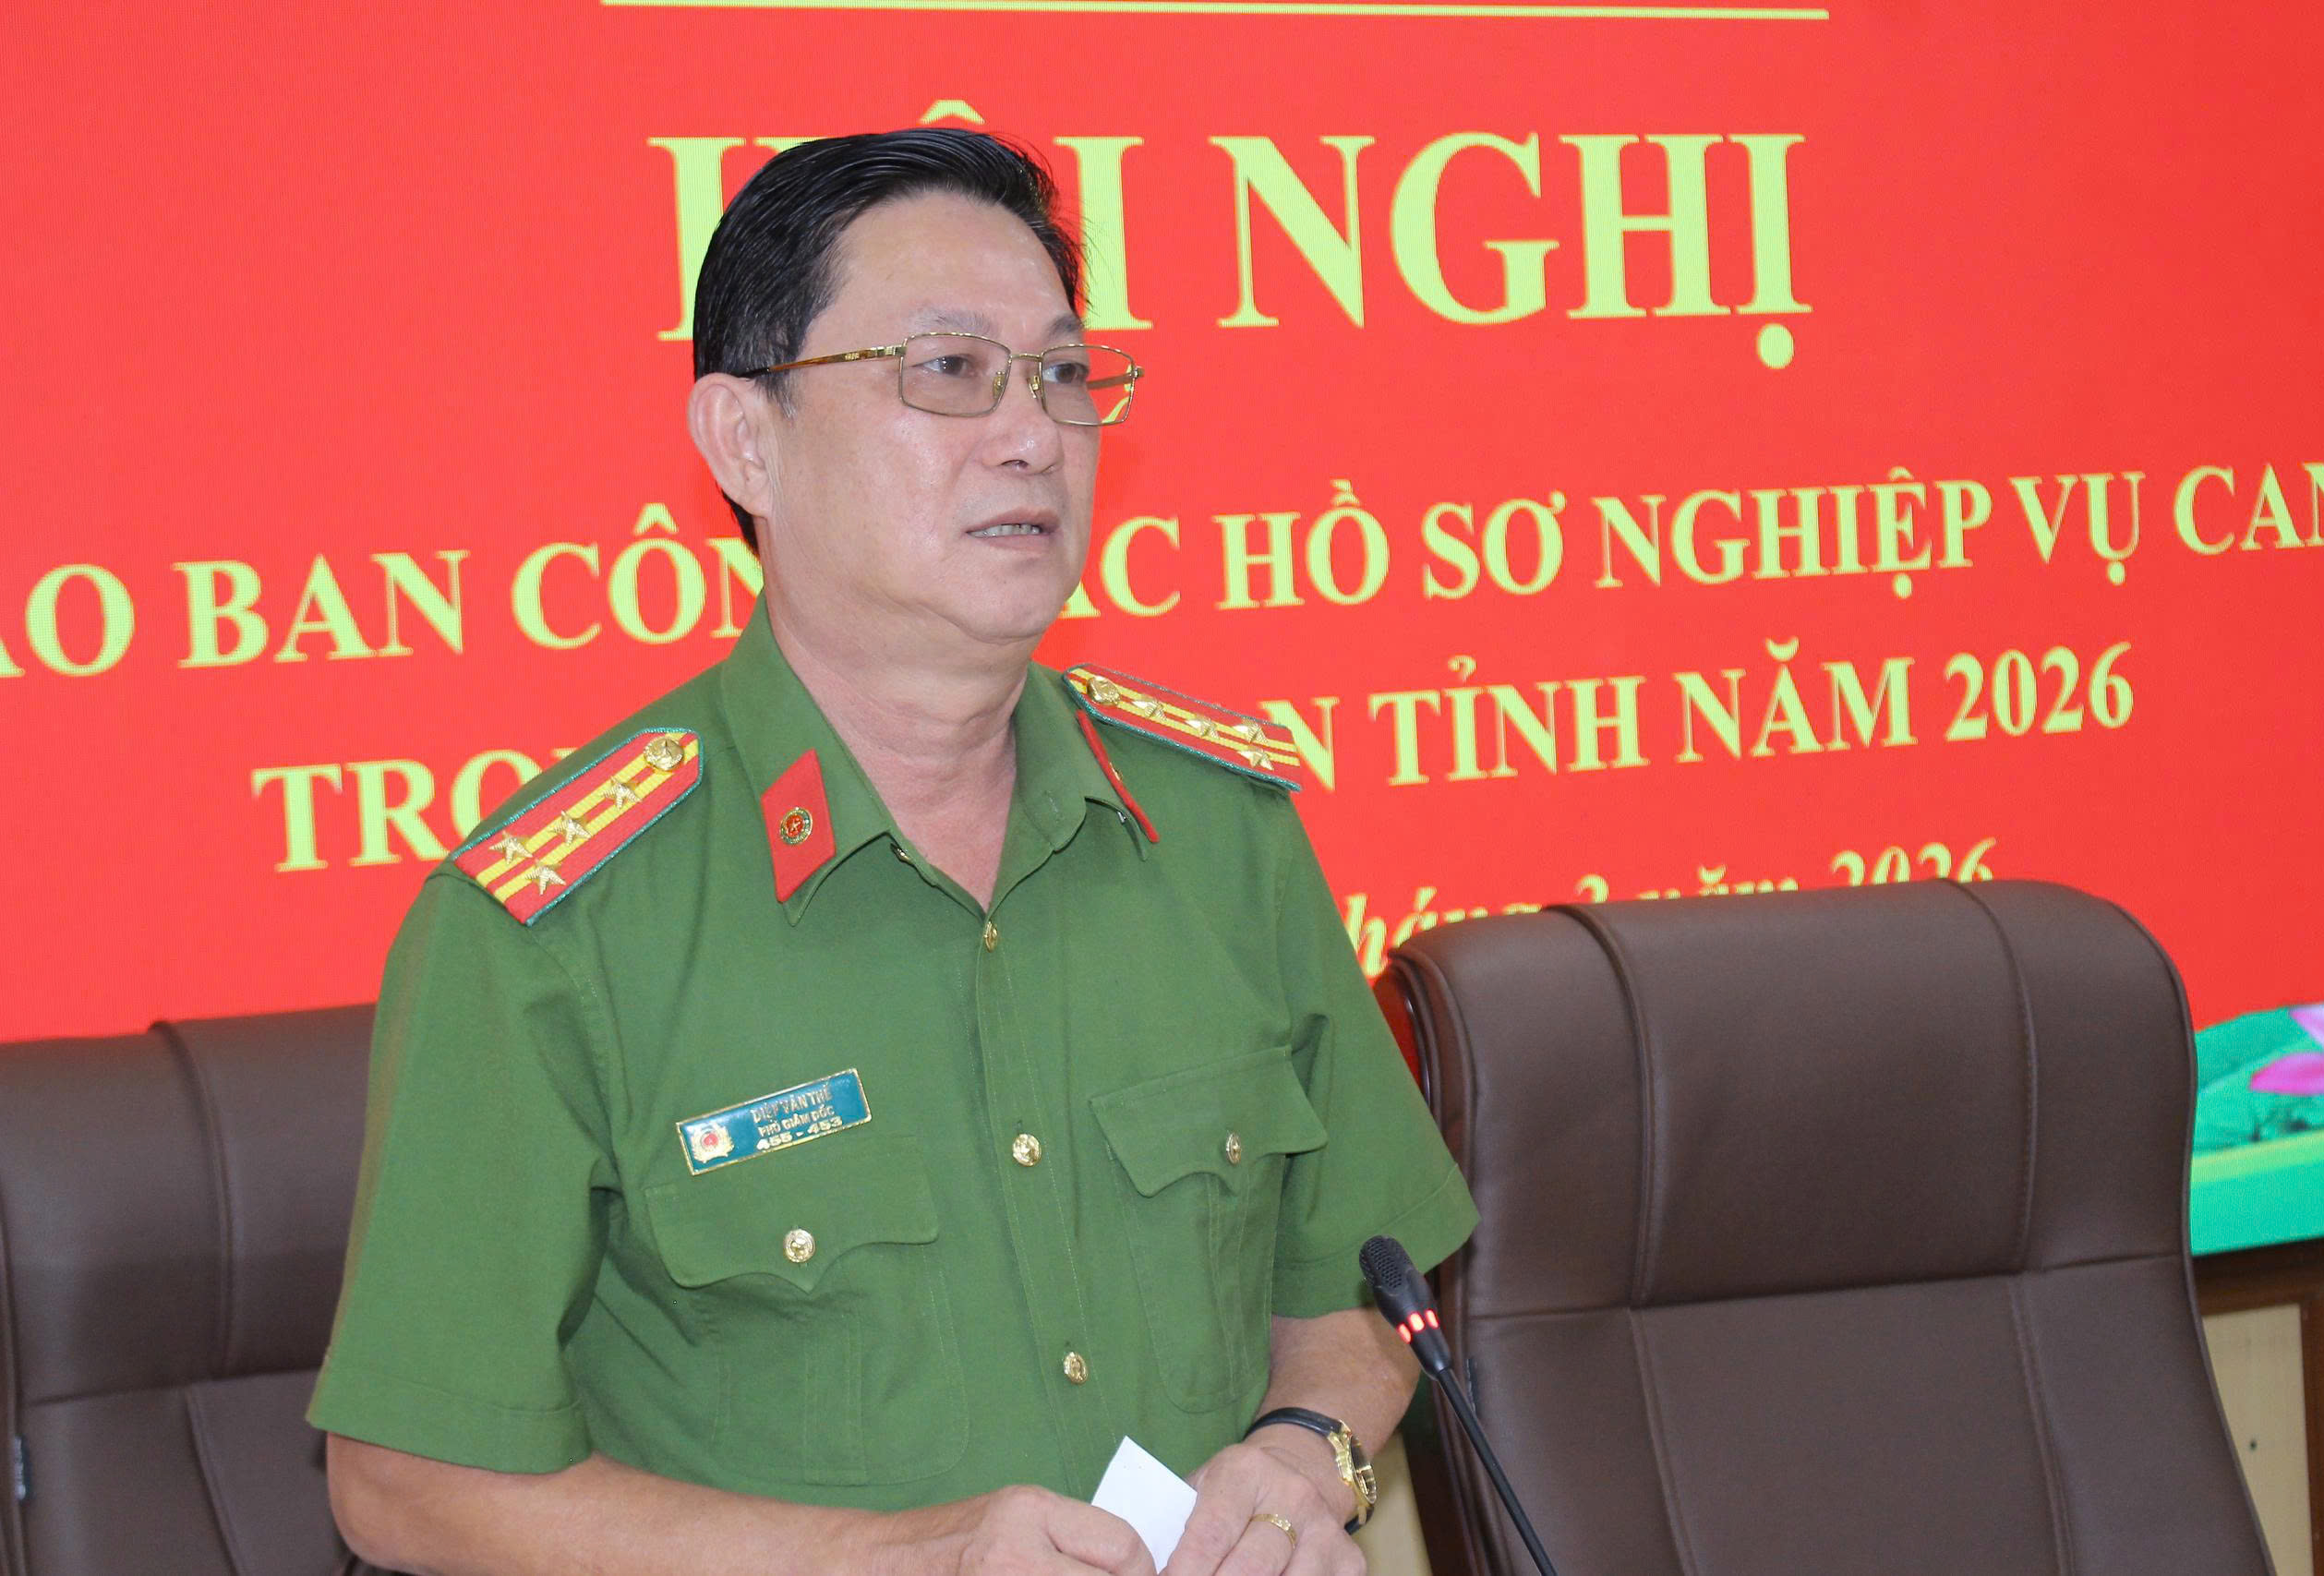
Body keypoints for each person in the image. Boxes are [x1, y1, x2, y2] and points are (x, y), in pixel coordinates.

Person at [311, 127, 1477, 1576]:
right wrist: (900, 1559)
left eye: (1061, 374)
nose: (1032, 433)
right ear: (747, 441)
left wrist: (1305, 1454)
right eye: (948, 370)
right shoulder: (557, 926)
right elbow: (406, 1480)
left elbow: (1365, 1287)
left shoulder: (1221, 832)